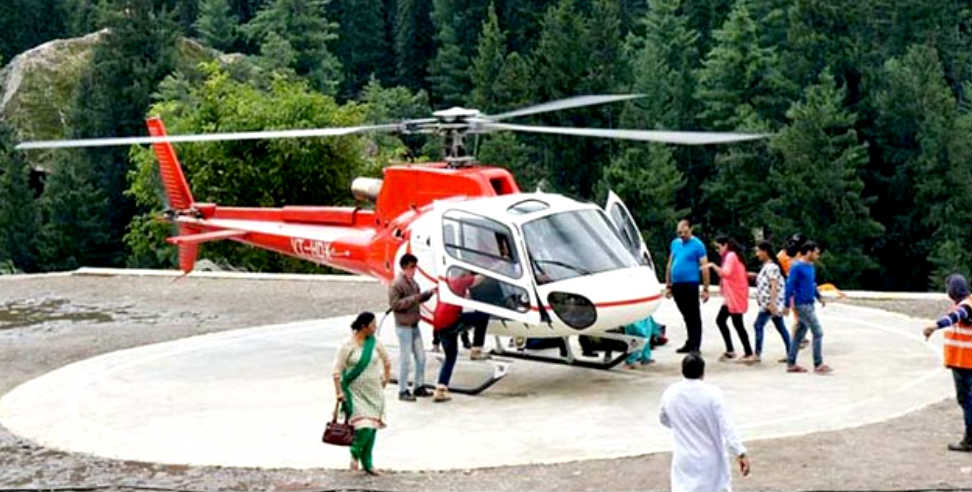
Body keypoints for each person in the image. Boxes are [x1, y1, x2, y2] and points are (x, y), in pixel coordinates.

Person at [660, 354, 750, 492]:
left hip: (683, 458)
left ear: (682, 370)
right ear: (703, 372)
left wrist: (682, 426)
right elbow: (727, 427)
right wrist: (740, 453)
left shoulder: (670, 393)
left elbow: (664, 419)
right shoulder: (713, 394)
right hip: (710, 458)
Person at [332, 312, 392, 475]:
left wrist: (385, 379)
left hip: (374, 393)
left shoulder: (375, 343)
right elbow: (337, 371)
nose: (375, 328)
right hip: (354, 393)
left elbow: (387, 361)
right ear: (363, 327)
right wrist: (339, 392)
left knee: (372, 428)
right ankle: (355, 451)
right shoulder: (347, 345)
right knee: (363, 427)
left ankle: (368, 464)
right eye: (373, 325)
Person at [922, 273, 972, 452]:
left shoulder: (966, 307)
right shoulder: (965, 303)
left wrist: (934, 326)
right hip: (964, 361)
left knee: (966, 400)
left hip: (965, 362)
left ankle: (970, 439)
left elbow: (954, 317)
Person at [388, 253, 436, 401]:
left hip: (414, 324)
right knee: (405, 359)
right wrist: (417, 297)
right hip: (404, 326)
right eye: (411, 267)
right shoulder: (396, 284)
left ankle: (418, 386)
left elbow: (415, 299)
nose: (414, 270)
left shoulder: (412, 282)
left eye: (415, 267)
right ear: (404, 267)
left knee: (421, 357)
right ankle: (402, 390)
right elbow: (395, 305)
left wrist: (427, 294)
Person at [784, 241, 832, 374]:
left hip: (809, 303)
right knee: (818, 332)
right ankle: (818, 363)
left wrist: (818, 296)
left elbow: (812, 283)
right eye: (816, 252)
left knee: (799, 334)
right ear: (809, 252)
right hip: (801, 304)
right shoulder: (797, 267)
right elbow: (790, 286)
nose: (818, 255)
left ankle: (791, 363)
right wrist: (787, 304)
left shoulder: (810, 266)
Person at [706, 235, 755, 363]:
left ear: (725, 245)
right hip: (731, 296)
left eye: (718, 247)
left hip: (735, 295)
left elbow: (725, 273)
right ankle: (731, 350)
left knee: (737, 323)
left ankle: (748, 352)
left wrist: (712, 265)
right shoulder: (731, 256)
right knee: (721, 320)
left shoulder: (731, 256)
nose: (718, 250)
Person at [665, 219, 711, 353]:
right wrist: (668, 284)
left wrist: (706, 288)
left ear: (691, 229)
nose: (682, 235)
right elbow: (670, 263)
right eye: (679, 232)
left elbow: (704, 266)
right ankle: (690, 342)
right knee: (686, 315)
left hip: (690, 283)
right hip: (677, 284)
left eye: (684, 232)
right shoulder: (675, 243)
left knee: (694, 315)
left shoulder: (698, 245)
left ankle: (695, 344)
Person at [752, 241, 791, 363]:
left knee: (758, 325)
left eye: (758, 251)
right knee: (780, 327)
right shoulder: (769, 266)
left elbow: (774, 285)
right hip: (770, 303)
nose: (757, 254)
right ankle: (791, 353)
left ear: (765, 251)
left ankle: (757, 354)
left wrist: (772, 303)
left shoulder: (771, 267)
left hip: (769, 304)